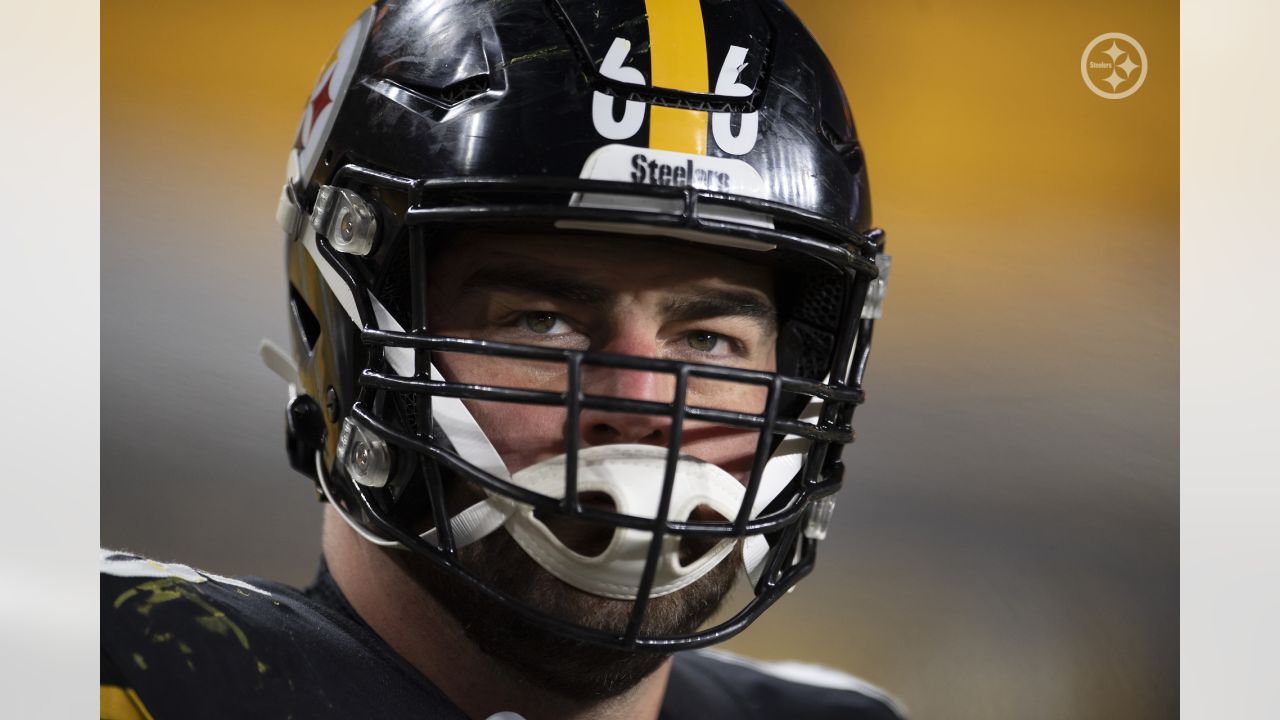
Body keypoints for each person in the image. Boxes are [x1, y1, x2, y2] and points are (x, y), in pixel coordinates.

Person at [100, 1, 901, 718]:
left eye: (707, 340)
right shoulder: (132, 676)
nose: (646, 406)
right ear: (345, 336)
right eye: (541, 322)